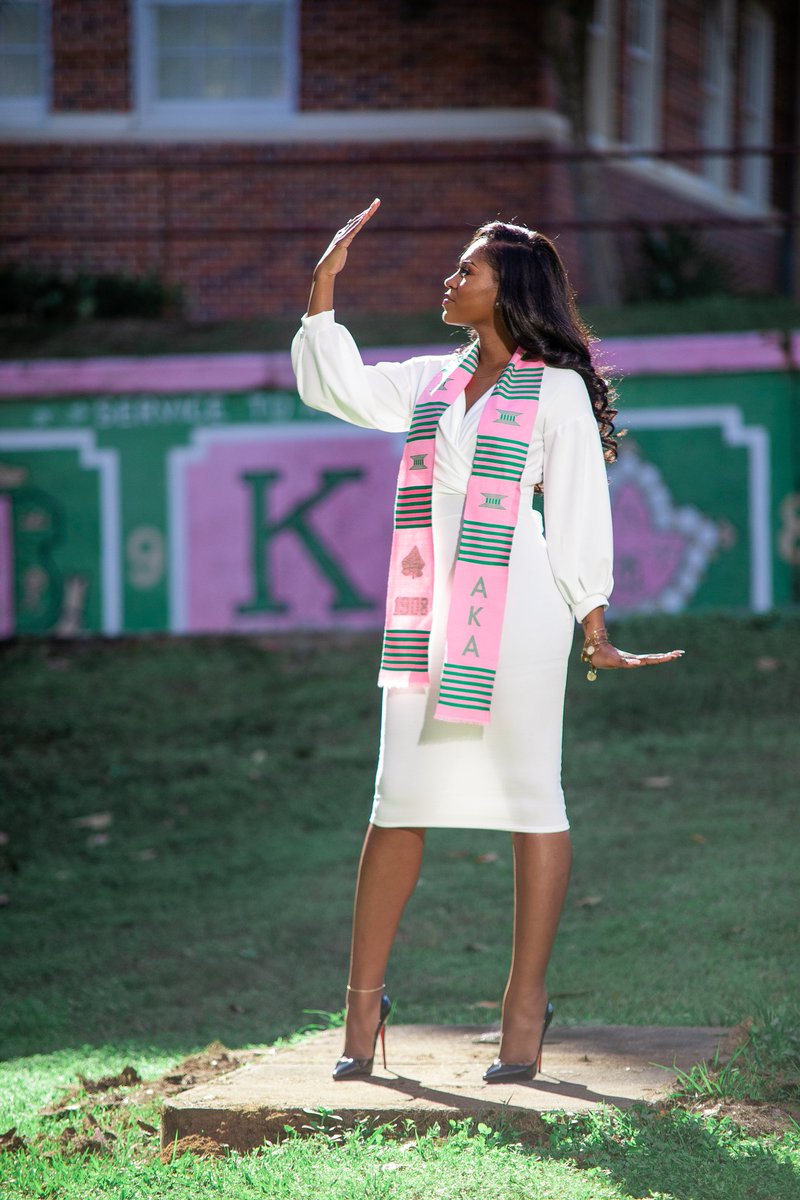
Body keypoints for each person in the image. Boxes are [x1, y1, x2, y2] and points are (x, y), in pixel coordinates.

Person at [291, 199, 684, 1084]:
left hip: (524, 620)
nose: (450, 277)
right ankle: (361, 1006)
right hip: (428, 618)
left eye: (467, 269)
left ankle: (523, 1005)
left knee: (531, 799)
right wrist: (323, 288)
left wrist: (595, 622)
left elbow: (580, 505)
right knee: (397, 800)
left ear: (508, 291)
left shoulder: (556, 392)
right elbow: (340, 386)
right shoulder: (430, 380)